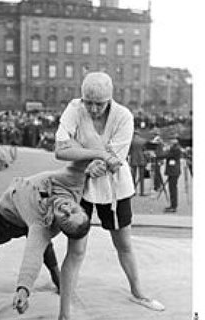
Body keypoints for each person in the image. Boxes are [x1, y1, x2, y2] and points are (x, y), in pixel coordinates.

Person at [55, 72, 165, 317]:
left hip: (115, 187)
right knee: (76, 250)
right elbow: (60, 149)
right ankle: (64, 314)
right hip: (81, 183)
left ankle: (138, 292)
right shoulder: (74, 108)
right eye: (88, 102)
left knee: (124, 244)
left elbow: (114, 159)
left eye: (99, 103)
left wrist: (87, 154)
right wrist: (91, 160)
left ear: (110, 99)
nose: (93, 109)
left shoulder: (123, 116)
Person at [0, 166, 92, 320]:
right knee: (44, 244)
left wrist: (23, 290)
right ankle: (57, 276)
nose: (66, 210)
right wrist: (97, 163)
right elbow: (79, 163)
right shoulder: (73, 185)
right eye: (74, 210)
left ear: (59, 224)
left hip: (4, 219)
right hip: (18, 214)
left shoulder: (41, 226)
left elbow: (33, 255)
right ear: (80, 206)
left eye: (65, 218)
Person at [161, 137, 182, 213]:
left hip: (173, 171)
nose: (170, 141)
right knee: (172, 188)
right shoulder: (174, 147)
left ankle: (173, 206)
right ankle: (173, 205)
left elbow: (167, 155)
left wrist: (165, 149)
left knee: (173, 189)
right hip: (173, 171)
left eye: (172, 140)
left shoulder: (175, 148)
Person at [129, 130, 147, 196]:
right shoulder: (143, 141)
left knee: (133, 176)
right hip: (141, 159)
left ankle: (133, 191)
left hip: (133, 160)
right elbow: (145, 151)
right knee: (141, 177)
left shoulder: (131, 141)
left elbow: (129, 151)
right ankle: (142, 192)